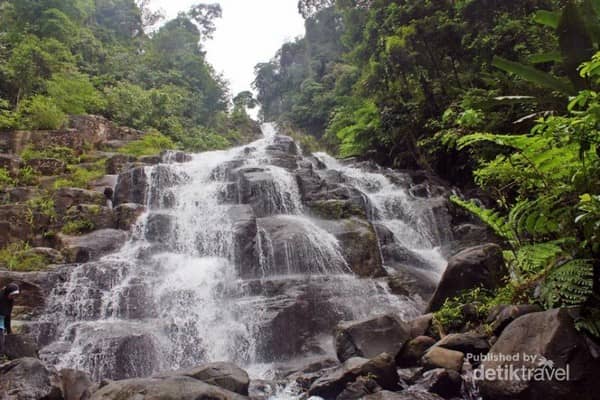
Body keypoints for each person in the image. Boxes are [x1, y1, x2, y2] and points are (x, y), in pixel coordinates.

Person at [0, 283, 20, 355]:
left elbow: (8, 316)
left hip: (1, 322)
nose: (14, 297)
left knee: (1, 345)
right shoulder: (1, 297)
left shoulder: (10, 301)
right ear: (8, 292)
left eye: (15, 295)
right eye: (12, 295)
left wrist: (9, 331)